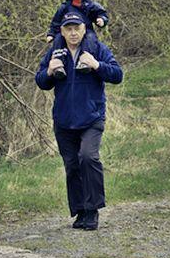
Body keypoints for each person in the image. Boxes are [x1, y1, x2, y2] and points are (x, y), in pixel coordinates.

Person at [35, 12, 123, 231]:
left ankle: (92, 210)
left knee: (88, 157)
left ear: (84, 29)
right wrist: (49, 71)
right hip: (64, 120)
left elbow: (117, 74)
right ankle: (81, 211)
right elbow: (41, 81)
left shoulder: (97, 49)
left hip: (92, 117)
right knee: (72, 165)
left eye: (77, 28)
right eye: (69, 29)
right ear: (62, 31)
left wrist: (96, 65)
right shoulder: (56, 52)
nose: (73, 33)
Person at [44, 0, 109, 76]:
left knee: (90, 38)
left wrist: (101, 19)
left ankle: (84, 61)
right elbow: (56, 22)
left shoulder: (90, 4)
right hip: (67, 30)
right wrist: (51, 34)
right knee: (59, 39)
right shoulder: (64, 7)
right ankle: (59, 64)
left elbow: (101, 13)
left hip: (86, 30)